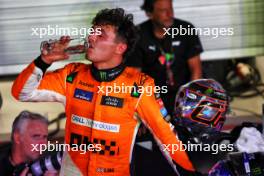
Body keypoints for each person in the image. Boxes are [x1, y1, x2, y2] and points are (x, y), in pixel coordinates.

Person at [12, 8, 196, 175]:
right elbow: (21, 93)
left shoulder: (139, 86)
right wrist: (44, 61)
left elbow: (166, 137)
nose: (91, 37)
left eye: (101, 35)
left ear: (120, 48)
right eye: (92, 32)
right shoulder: (72, 75)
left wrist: (189, 172)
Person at [126, 0, 203, 115]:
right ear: (149, 13)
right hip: (152, 98)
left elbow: (196, 69)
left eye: (171, 9)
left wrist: (191, 100)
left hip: (183, 95)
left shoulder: (186, 29)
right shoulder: (137, 34)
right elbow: (135, 77)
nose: (169, 14)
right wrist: (136, 108)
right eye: (163, 11)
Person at [0, 110, 57, 176]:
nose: (43, 144)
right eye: (36, 136)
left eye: (45, 137)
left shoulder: (45, 161)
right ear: (17, 137)